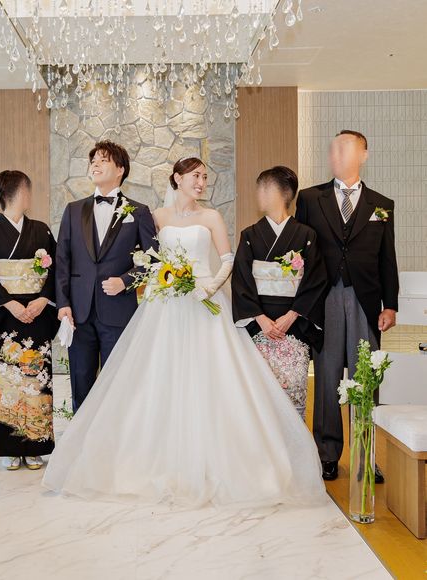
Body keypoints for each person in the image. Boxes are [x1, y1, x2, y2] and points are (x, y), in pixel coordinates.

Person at [42, 157, 327, 508]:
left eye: (205, 177)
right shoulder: (156, 217)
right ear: (177, 179)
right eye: (195, 176)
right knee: (157, 378)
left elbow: (227, 260)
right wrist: (161, 278)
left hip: (204, 303)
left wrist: (209, 287)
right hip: (165, 304)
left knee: (211, 379)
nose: (201, 182)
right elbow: (148, 258)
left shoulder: (212, 217)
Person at [296, 130, 399, 482]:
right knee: (326, 379)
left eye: (345, 148)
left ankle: (365, 457)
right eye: (333, 149)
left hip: (365, 301)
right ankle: (327, 455)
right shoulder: (310, 199)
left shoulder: (382, 205)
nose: (336, 154)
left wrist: (390, 304)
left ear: (363, 155)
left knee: (365, 379)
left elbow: (387, 259)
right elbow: (300, 251)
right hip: (324, 299)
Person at [55, 140, 157, 412]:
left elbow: (155, 261)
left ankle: (115, 436)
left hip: (118, 311)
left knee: (118, 384)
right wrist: (63, 304)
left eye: (103, 160)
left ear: (120, 169)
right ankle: (82, 436)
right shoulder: (73, 210)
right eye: (93, 161)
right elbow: (62, 260)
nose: (95, 165)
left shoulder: (139, 212)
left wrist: (125, 281)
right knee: (81, 382)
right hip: (79, 313)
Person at [0, 170, 58, 471]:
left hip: (37, 313)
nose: (29, 195)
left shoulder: (42, 231)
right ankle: (11, 447)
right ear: (19, 193)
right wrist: (9, 303)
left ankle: (35, 445)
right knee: (8, 378)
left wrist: (43, 299)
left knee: (37, 378)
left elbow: (56, 269)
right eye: (28, 190)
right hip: (5, 316)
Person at [232, 166, 327, 420]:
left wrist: (292, 315)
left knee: (292, 395)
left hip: (294, 327)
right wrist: (261, 319)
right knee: (259, 399)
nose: (258, 195)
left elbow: (315, 281)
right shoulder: (250, 236)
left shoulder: (306, 236)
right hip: (259, 327)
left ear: (276, 193)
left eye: (261, 189)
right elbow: (242, 281)